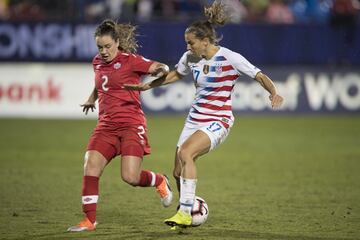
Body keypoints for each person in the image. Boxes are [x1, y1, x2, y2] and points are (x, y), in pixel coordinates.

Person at [124, 0, 284, 228]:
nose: (188, 47)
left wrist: (274, 93)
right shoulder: (191, 58)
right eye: (186, 43)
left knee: (187, 153)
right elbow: (177, 75)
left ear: (205, 41)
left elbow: (259, 75)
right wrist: (148, 85)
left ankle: (186, 212)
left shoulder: (230, 58)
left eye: (191, 43)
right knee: (178, 171)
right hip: (194, 119)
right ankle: (185, 211)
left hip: (219, 120)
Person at [67, 19, 173, 232]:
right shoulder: (97, 62)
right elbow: (102, 82)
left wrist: (159, 73)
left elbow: (161, 67)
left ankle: (160, 180)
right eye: (100, 47)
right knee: (90, 165)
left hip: (131, 125)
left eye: (107, 46)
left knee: (130, 177)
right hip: (106, 126)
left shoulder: (130, 61)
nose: (103, 51)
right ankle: (89, 221)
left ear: (117, 42)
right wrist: (91, 98)